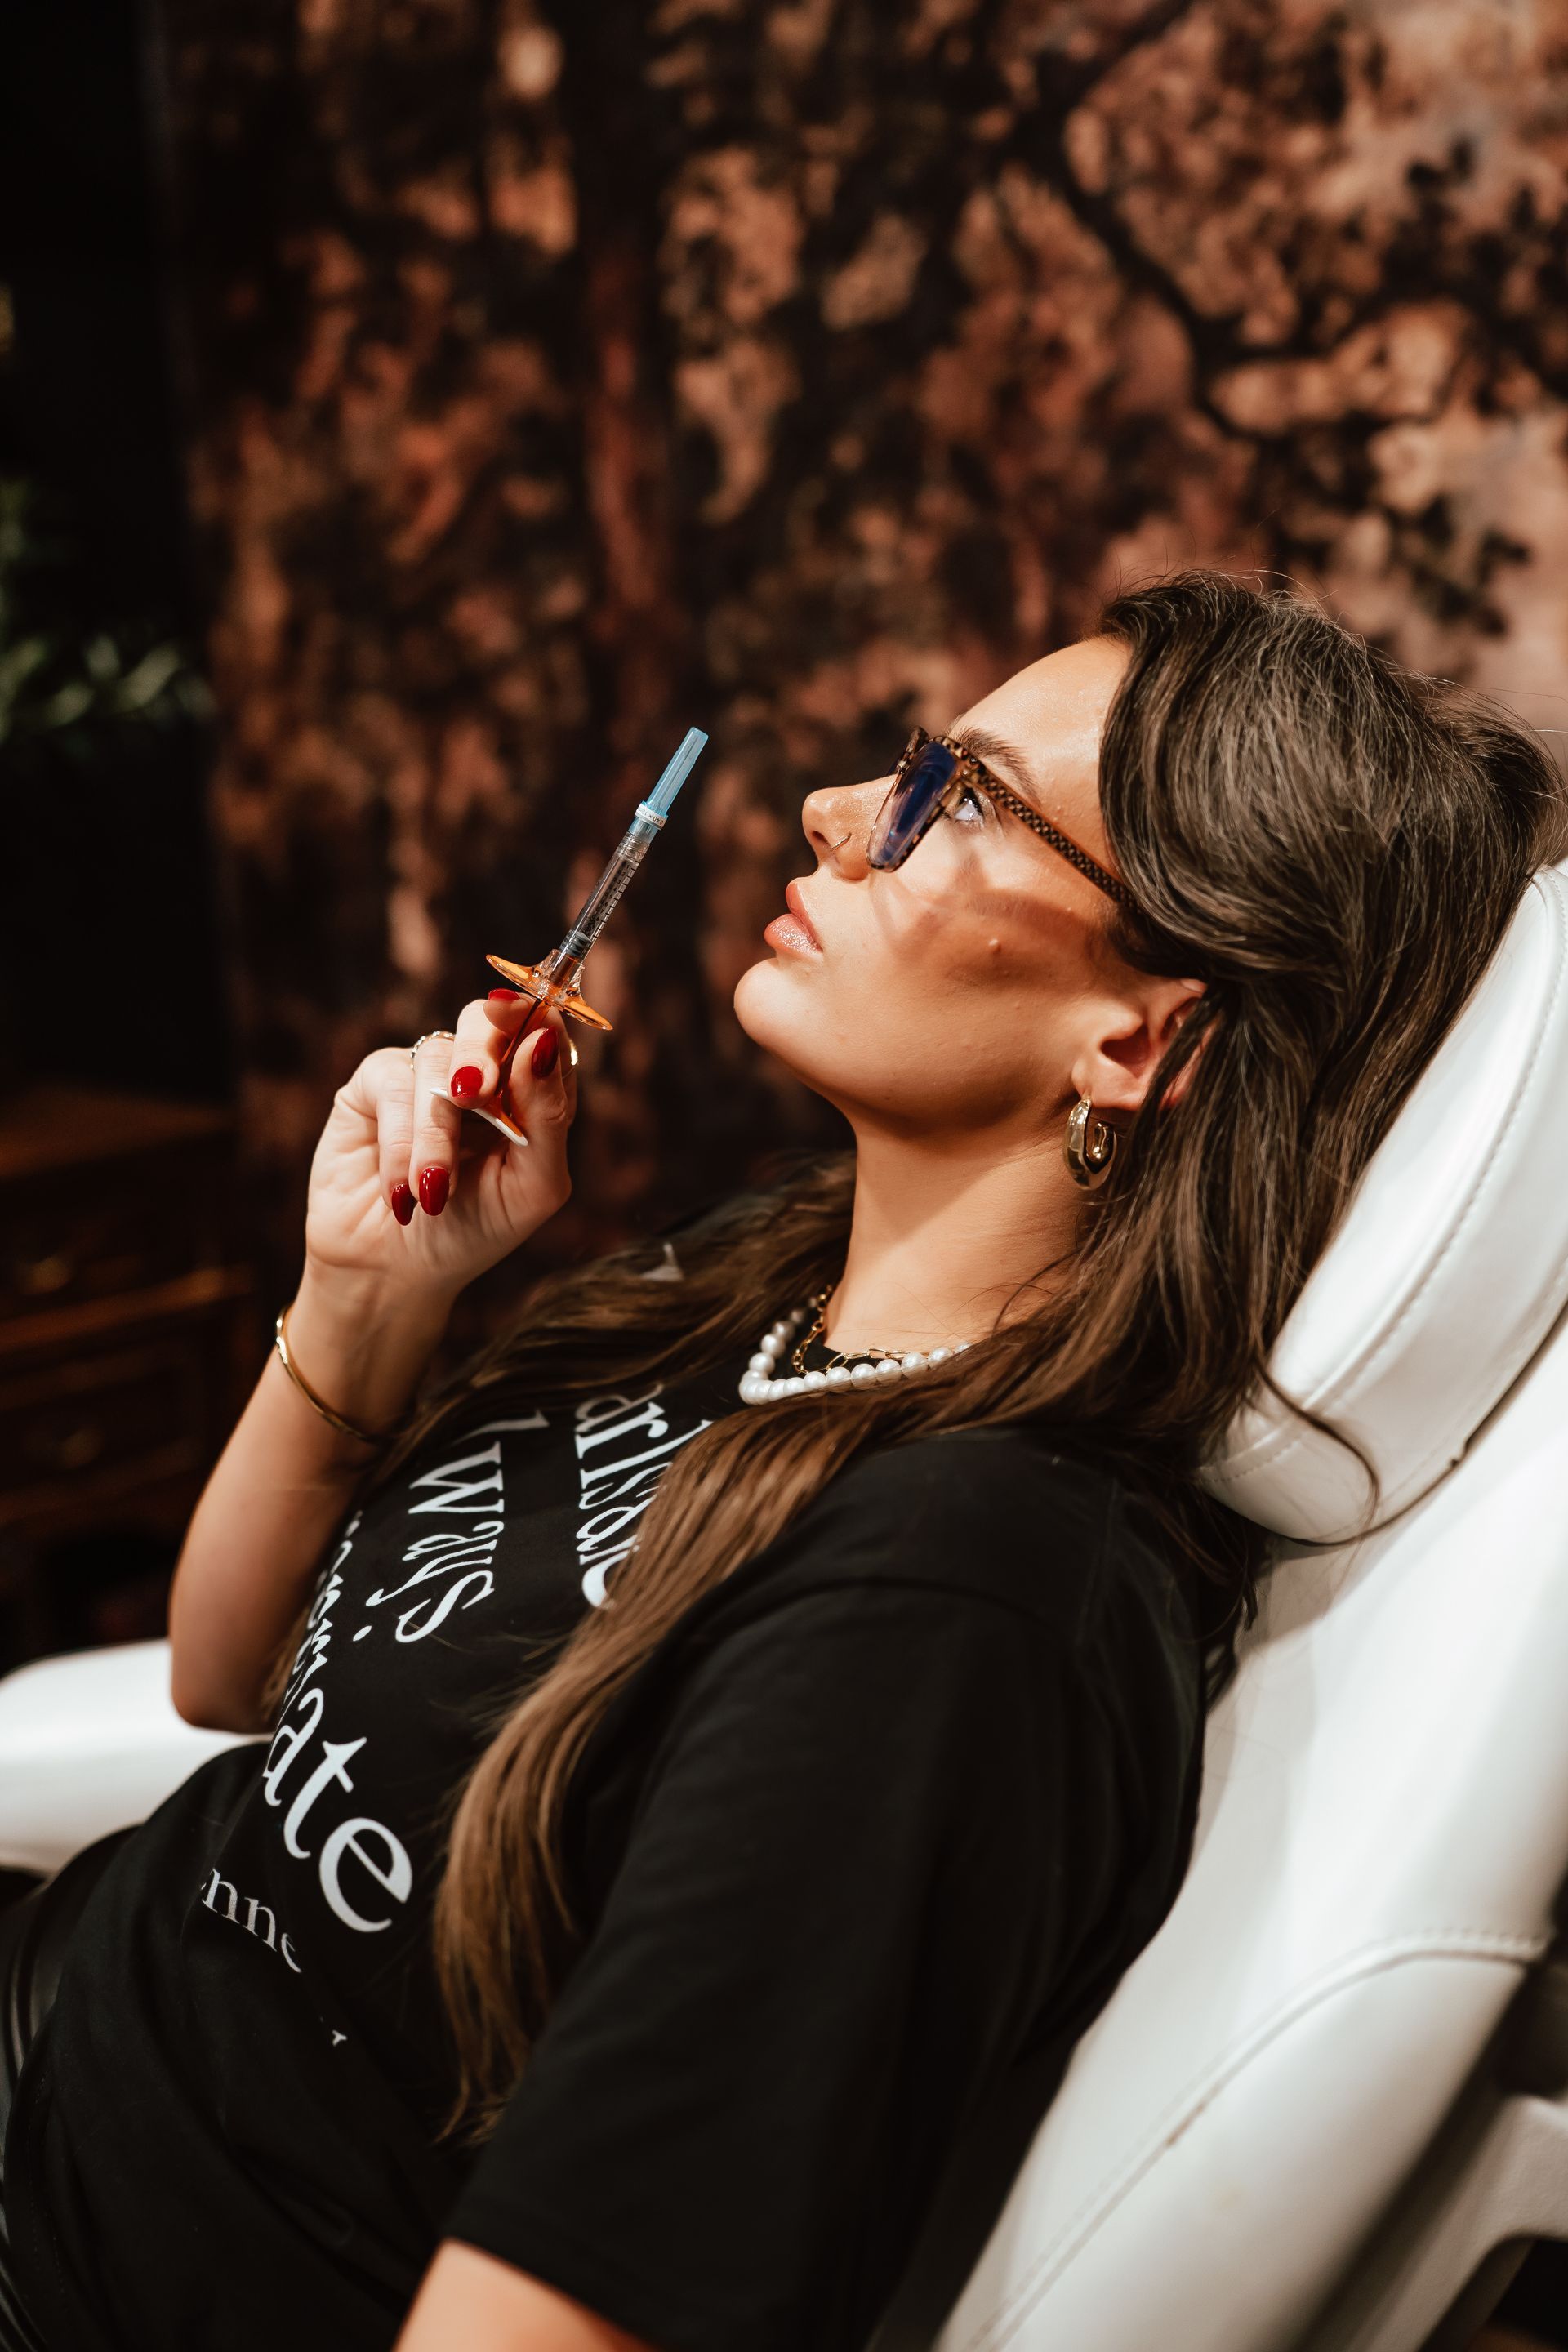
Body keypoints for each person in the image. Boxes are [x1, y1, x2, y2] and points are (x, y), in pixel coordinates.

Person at [0, 573, 1555, 2352]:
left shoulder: (956, 1603)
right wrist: (369, 1301)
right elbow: (233, 1685)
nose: (831, 812)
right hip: (75, 2021)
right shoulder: (768, 1275)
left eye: (949, 795)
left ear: (1144, 1037)